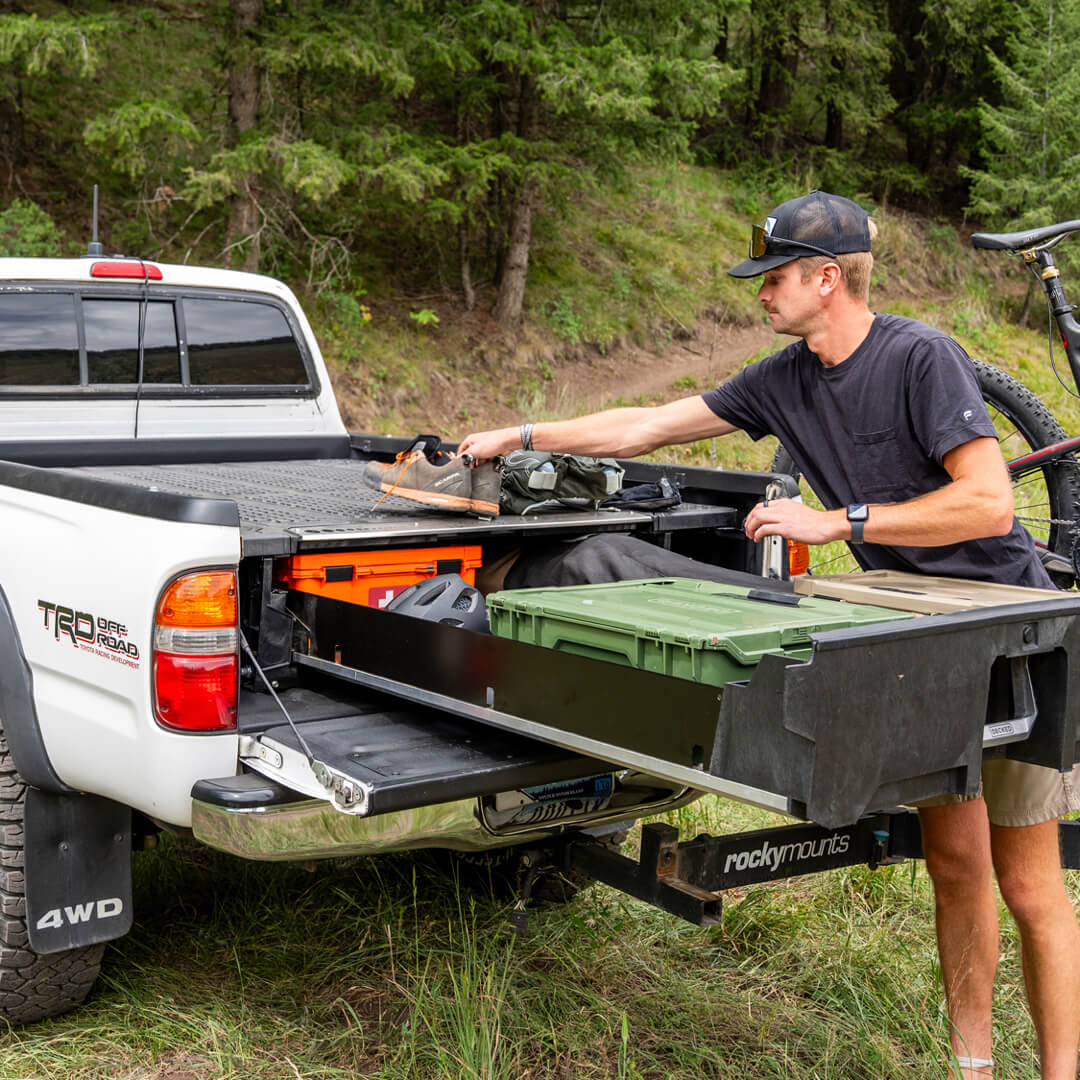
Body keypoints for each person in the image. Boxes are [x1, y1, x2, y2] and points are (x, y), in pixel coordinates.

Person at [460, 189, 1080, 1079]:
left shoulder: (921, 357)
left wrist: (841, 522)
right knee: (953, 864)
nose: (760, 294)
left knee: (1028, 882)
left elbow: (987, 500)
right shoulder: (784, 377)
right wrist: (517, 435)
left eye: (775, 277)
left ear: (828, 279)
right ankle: (971, 1067)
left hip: (1013, 627)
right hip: (915, 632)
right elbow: (647, 424)